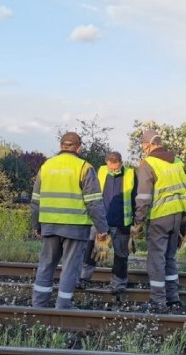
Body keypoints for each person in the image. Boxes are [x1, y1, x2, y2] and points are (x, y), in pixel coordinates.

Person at [30, 132, 110, 309]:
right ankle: (63, 305)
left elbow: (35, 200)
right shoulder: (84, 167)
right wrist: (102, 228)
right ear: (79, 147)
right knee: (70, 267)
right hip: (75, 227)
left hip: (49, 225)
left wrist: (37, 225)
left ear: (61, 146)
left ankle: (39, 305)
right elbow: (94, 202)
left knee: (46, 264)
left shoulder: (46, 166)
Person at [132, 129, 186, 312]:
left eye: (143, 146)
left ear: (148, 145)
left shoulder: (148, 163)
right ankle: (173, 297)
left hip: (160, 216)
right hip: (178, 215)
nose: (143, 149)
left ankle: (158, 300)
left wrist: (138, 222)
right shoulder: (178, 161)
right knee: (169, 257)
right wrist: (184, 220)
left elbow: (143, 196)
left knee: (156, 259)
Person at [79, 151, 137, 295]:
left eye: (116, 168)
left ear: (121, 163)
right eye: (111, 167)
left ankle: (118, 285)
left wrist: (135, 222)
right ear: (107, 162)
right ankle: (83, 279)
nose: (113, 170)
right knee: (91, 251)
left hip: (122, 222)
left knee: (121, 255)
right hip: (100, 221)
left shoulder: (130, 174)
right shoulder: (101, 171)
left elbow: (136, 197)